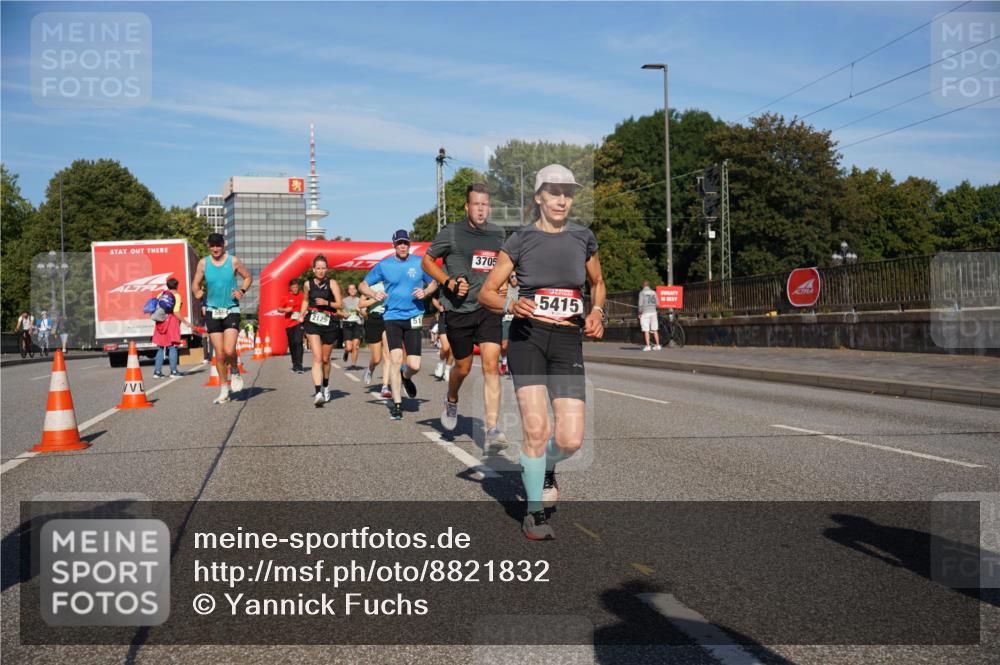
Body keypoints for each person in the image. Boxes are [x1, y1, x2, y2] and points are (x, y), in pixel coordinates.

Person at [480, 164, 606, 541]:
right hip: (528, 338)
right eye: (554, 192)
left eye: (568, 193)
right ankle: (534, 513)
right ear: (539, 198)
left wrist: (597, 311)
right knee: (537, 429)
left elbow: (598, 282)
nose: (562, 200)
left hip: (567, 341)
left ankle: (547, 466)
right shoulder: (520, 240)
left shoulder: (583, 237)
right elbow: (487, 292)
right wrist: (510, 303)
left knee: (570, 440)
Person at [422, 183, 508, 449]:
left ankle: (492, 428)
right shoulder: (452, 232)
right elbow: (426, 261)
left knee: (491, 364)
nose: (481, 209)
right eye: (476, 204)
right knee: (463, 367)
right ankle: (451, 398)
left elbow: (504, 265)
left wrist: (505, 282)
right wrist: (448, 283)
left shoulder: (498, 234)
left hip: (488, 308)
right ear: (467, 207)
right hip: (459, 310)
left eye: (485, 204)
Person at [360, 229, 437, 421]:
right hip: (392, 317)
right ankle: (397, 405)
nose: (403, 246)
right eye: (399, 243)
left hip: (414, 316)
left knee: (414, 365)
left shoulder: (419, 262)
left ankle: (406, 376)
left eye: (406, 243)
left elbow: (434, 282)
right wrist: (373, 294)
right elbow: (363, 285)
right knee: (395, 359)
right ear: (394, 245)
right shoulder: (384, 265)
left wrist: (426, 292)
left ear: (409, 244)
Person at [191, 233, 252, 404]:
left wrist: (242, 291)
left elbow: (248, 277)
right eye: (212, 245)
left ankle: (235, 370)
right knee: (219, 354)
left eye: (218, 245)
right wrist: (196, 292)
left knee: (229, 350)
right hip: (212, 310)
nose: (215, 248)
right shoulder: (203, 263)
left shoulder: (233, 261)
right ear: (209, 246)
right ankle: (224, 390)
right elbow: (195, 283)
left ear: (223, 245)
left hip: (231, 309)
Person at [299, 255, 343, 406]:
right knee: (317, 358)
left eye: (323, 268)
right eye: (318, 268)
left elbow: (339, 304)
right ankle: (318, 393)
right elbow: (305, 300)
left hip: (329, 322)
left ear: (327, 269)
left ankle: (325, 385)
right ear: (313, 269)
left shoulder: (332, 283)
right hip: (312, 321)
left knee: (325, 359)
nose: (321, 271)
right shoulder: (307, 284)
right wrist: (301, 313)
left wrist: (326, 302)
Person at [152, 277, 192, 378]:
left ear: (167, 285)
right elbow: (176, 311)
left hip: (160, 321)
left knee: (161, 347)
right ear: (177, 285)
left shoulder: (161, 294)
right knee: (173, 346)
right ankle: (173, 371)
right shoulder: (177, 296)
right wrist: (185, 322)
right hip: (171, 321)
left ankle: (157, 372)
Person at [360, 281, 392, 399]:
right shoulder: (371, 285)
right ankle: (370, 368)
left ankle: (385, 387)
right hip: (374, 319)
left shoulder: (394, 283)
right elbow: (361, 304)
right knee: (377, 358)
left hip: (389, 318)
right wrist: (375, 298)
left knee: (388, 355)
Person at [278, 279, 305, 372]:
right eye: (293, 287)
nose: (295, 289)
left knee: (298, 341)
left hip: (300, 322)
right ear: (290, 288)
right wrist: (285, 310)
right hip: (289, 324)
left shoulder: (302, 296)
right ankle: (294, 363)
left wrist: (304, 313)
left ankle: (299, 364)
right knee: (292, 343)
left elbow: (307, 306)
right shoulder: (286, 297)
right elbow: (279, 309)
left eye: (296, 287)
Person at [430, 296, 454, 382]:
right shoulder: (443, 288)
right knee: (445, 347)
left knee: (452, 350)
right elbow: (433, 298)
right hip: (443, 319)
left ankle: (447, 371)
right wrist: (439, 307)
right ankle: (440, 363)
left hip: (456, 320)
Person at [500, 272, 519, 377]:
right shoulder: (505, 288)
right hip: (506, 319)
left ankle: (512, 368)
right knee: (504, 346)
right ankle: (504, 363)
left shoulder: (523, 289)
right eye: (512, 276)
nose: (514, 278)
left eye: (516, 276)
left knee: (514, 346)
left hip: (517, 320)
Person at [340, 284, 363, 369]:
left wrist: (360, 311)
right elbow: (338, 311)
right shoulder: (344, 301)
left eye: (354, 289)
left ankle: (353, 365)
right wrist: (343, 314)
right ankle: (346, 351)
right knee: (349, 348)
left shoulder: (360, 300)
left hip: (357, 324)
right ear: (348, 291)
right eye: (350, 289)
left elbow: (364, 313)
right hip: (347, 324)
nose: (352, 290)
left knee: (355, 346)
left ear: (356, 290)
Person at [638, 280, 661, 351]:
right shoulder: (654, 292)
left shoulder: (642, 293)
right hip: (653, 312)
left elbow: (640, 304)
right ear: (649, 285)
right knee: (655, 329)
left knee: (646, 330)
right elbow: (658, 304)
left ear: (643, 285)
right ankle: (658, 345)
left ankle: (648, 346)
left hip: (645, 313)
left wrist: (640, 313)